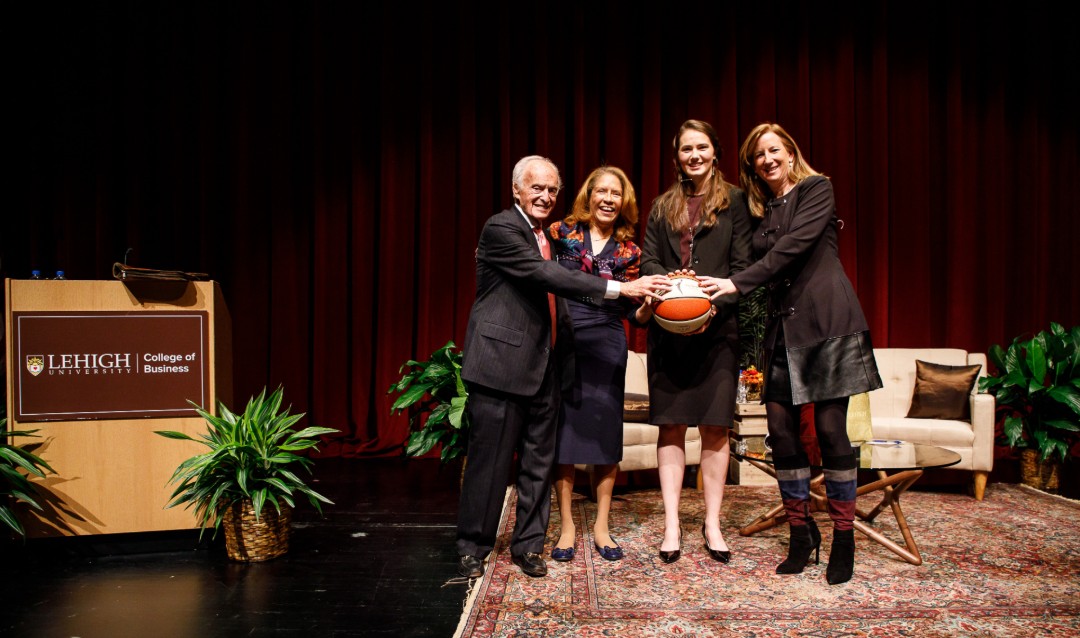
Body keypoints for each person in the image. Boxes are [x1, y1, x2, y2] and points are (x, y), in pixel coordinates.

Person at [456, 155, 670, 580]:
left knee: (539, 460)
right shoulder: (502, 228)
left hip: (546, 363)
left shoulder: (550, 238)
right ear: (517, 189)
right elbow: (545, 276)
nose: (545, 196)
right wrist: (620, 287)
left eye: (552, 190)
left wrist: (637, 301)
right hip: (501, 364)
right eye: (536, 188)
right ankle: (473, 546)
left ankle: (529, 546)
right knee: (491, 462)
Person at [711, 123, 883, 585]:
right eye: (758, 156)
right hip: (782, 330)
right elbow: (743, 258)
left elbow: (792, 249)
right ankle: (801, 533)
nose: (767, 160)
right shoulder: (758, 210)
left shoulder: (816, 188)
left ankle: (843, 536)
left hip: (828, 323)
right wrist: (696, 282)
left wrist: (736, 283)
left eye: (774, 151)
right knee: (781, 433)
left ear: (790, 153)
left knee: (830, 430)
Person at [636, 120, 752, 565]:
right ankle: (671, 524)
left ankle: (712, 523)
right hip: (668, 334)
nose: (694, 155)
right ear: (677, 156)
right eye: (687, 149)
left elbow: (743, 266)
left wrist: (709, 310)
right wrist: (669, 293)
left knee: (715, 429)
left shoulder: (736, 202)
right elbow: (648, 259)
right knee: (671, 426)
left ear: (715, 152)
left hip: (718, 332)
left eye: (702, 147)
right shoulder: (662, 205)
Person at [547, 166, 642, 563]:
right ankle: (567, 525)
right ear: (588, 196)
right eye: (600, 191)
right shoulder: (560, 233)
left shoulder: (629, 251)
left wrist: (653, 308)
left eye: (615, 193)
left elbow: (633, 312)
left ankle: (602, 526)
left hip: (607, 339)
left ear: (624, 202)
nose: (607, 199)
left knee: (605, 434)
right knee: (564, 436)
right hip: (564, 336)